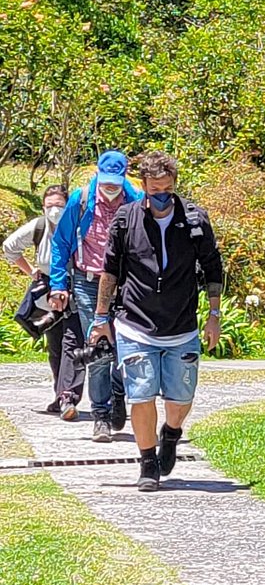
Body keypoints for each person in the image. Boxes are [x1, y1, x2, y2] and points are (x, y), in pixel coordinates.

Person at [89, 150, 223, 491]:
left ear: (174, 185)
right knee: (141, 394)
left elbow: (212, 268)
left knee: (180, 400)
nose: (161, 197)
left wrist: (214, 315)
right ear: (144, 188)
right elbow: (110, 271)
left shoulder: (195, 220)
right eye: (154, 191)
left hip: (181, 326)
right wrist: (101, 318)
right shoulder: (125, 219)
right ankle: (147, 462)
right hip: (135, 323)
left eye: (167, 190)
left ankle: (171, 433)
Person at [49, 151, 141, 438]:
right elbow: (61, 243)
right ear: (98, 175)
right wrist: (58, 284)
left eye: (116, 182)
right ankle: (101, 413)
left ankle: (118, 394)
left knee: (125, 346)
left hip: (125, 284)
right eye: (106, 181)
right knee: (100, 345)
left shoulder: (136, 200)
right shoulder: (81, 199)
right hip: (88, 282)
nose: (111, 188)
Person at [4, 184, 69, 412]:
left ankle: (94, 397)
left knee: (78, 344)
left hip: (77, 288)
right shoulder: (39, 226)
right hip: (50, 293)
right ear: (43, 207)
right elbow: (9, 247)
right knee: (56, 345)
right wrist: (31, 270)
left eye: (59, 205)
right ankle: (61, 395)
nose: (54, 211)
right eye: (50, 206)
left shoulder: (77, 225)